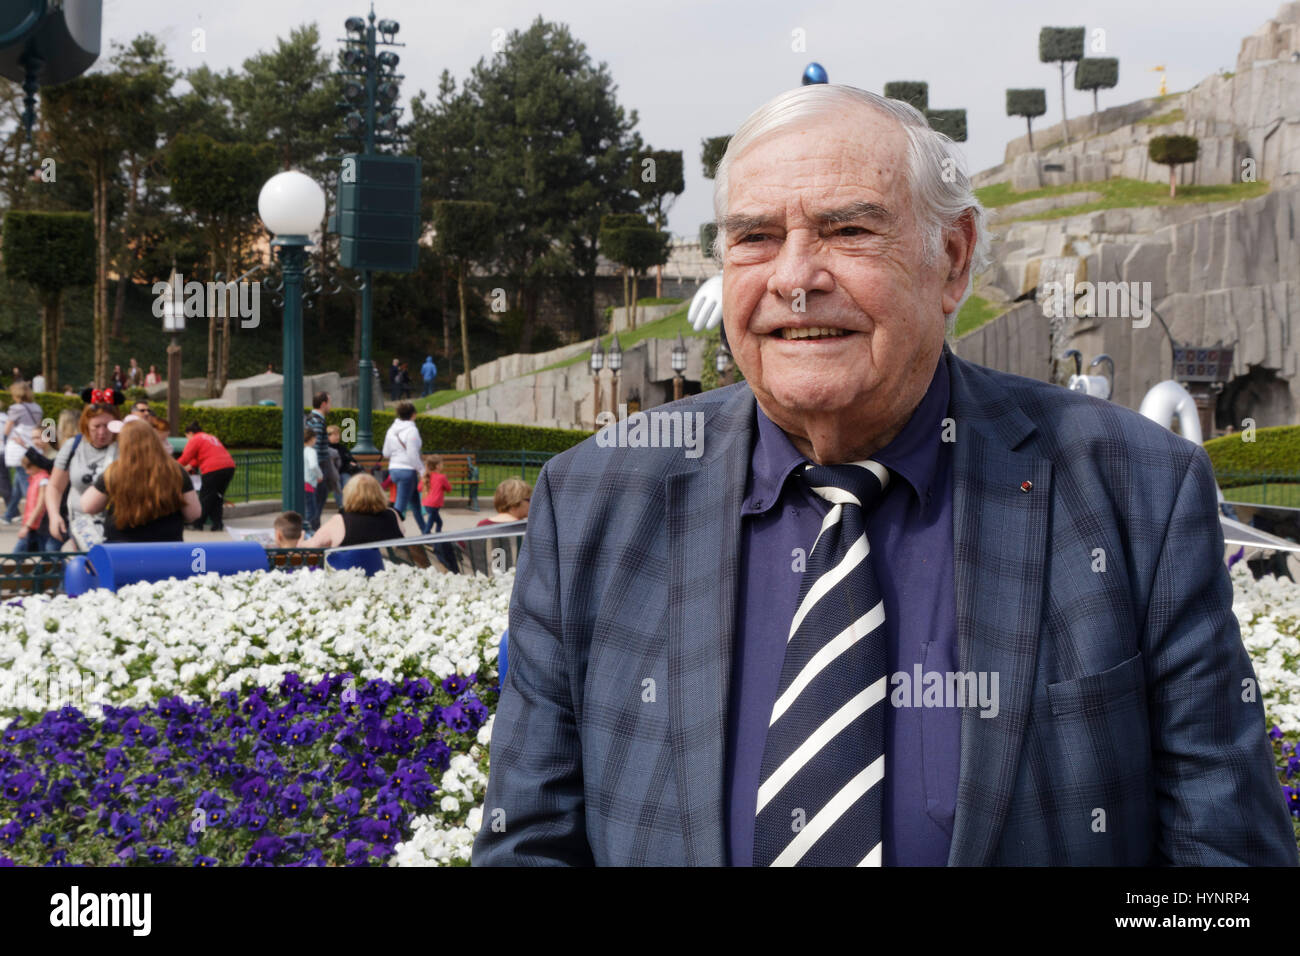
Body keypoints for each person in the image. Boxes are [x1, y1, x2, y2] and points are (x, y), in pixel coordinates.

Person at [473, 84, 1298, 867]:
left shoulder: (1134, 491)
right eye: (755, 237)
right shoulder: (591, 503)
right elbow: (529, 848)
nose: (795, 279)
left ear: (952, 259)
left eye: (848, 230)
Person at [80, 419, 200, 542]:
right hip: (167, 548)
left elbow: (88, 506)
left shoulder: (114, 471)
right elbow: (193, 513)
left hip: (121, 550)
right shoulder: (175, 470)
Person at [48, 393, 121, 550]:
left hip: (116, 529)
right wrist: (54, 516)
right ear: (86, 424)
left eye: (107, 426)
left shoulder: (125, 448)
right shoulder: (72, 446)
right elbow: (55, 486)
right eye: (96, 426)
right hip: (80, 527)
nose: (102, 432)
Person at [303, 473, 403, 548]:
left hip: (349, 572)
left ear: (349, 494)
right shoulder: (393, 515)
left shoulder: (339, 521)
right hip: (390, 571)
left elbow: (313, 545)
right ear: (379, 493)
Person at [178, 421, 237, 531]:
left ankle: (198, 524)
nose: (187, 439)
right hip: (229, 467)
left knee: (206, 497)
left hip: (213, 469)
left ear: (190, 433)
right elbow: (200, 456)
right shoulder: (210, 437)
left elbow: (186, 457)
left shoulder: (195, 439)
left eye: (186, 437)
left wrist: (173, 467)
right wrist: (191, 466)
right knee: (217, 497)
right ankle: (217, 524)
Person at [3, 380, 43, 524]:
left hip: (18, 448)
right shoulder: (37, 408)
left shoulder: (16, 408)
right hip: (33, 446)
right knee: (18, 484)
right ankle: (9, 515)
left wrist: (5, 438)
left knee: (25, 482)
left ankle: (33, 514)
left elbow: (7, 429)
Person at [381, 401, 422, 528]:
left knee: (415, 503)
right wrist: (422, 470)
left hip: (394, 469)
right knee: (399, 508)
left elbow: (385, 453)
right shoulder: (412, 431)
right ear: (413, 415)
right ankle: (391, 533)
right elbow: (412, 454)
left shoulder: (391, 430)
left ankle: (425, 531)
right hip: (407, 471)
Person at [306, 392, 340, 524]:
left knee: (315, 505)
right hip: (319, 469)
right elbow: (316, 447)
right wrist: (319, 472)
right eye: (329, 403)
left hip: (316, 469)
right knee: (316, 504)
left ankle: (314, 528)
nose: (330, 406)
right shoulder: (317, 422)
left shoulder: (311, 419)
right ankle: (313, 531)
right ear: (323, 404)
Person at [15, 456, 52, 552]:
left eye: (29, 468)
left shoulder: (43, 481)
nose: (27, 472)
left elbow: (40, 505)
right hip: (34, 524)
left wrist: (27, 526)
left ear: (36, 466)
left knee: (17, 555)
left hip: (37, 525)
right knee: (45, 555)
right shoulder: (35, 479)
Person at [418, 454, 452, 534]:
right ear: (437, 466)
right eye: (441, 464)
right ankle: (427, 539)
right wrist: (442, 487)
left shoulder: (426, 476)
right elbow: (449, 489)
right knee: (430, 524)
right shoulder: (442, 477)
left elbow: (419, 488)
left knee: (438, 522)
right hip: (435, 504)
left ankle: (436, 539)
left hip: (427, 504)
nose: (443, 465)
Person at [327, 424, 359, 499]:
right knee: (337, 485)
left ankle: (346, 504)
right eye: (334, 435)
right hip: (333, 474)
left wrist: (353, 463)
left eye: (338, 434)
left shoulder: (342, 448)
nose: (337, 437)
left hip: (344, 472)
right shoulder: (326, 448)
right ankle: (342, 506)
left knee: (347, 483)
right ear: (328, 436)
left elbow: (351, 459)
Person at [303, 427, 324, 534]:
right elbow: (313, 465)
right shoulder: (311, 451)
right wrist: (320, 475)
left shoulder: (301, 450)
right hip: (309, 483)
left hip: (302, 483)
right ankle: (306, 530)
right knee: (312, 511)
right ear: (311, 439)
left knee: (307, 508)